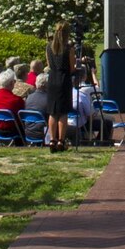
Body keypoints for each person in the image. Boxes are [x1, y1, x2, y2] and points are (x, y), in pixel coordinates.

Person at [44, 20, 74, 152]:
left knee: (53, 111)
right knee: (63, 111)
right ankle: (61, 140)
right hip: (64, 79)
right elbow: (72, 67)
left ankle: (52, 140)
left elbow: (49, 65)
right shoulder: (68, 48)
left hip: (52, 79)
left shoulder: (49, 47)